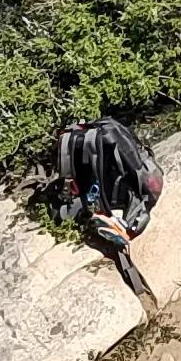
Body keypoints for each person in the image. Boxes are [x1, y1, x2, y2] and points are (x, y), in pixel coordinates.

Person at [52, 115, 164, 304]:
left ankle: (111, 216)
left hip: (108, 195)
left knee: (62, 212)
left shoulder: (93, 137)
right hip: (124, 192)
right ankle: (117, 217)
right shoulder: (109, 129)